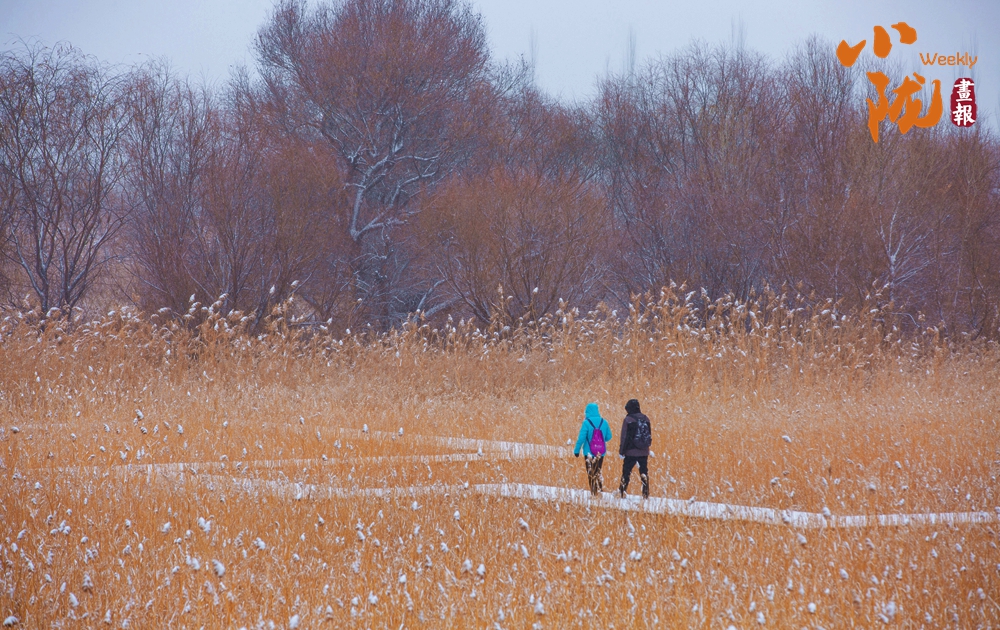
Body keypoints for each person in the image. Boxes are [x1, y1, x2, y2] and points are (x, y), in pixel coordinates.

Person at [573, 402, 612, 496]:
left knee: (591, 473)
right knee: (598, 471)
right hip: (600, 452)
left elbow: (581, 438)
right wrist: (600, 440)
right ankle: (600, 491)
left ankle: (594, 493)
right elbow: (609, 437)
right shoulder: (604, 422)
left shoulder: (586, 423)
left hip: (589, 452)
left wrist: (577, 450)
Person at [618, 398, 651, 499]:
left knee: (626, 473)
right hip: (644, 452)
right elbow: (649, 435)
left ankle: (622, 492)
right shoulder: (646, 418)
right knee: (644, 473)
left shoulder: (628, 419)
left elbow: (624, 437)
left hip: (630, 452)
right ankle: (645, 494)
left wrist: (621, 451)